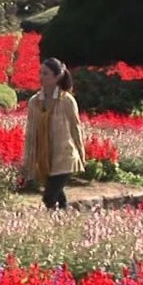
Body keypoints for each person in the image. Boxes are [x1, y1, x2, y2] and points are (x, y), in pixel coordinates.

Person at [21, 57, 86, 210]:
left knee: (49, 197)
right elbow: (31, 131)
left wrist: (81, 154)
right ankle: (64, 219)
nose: (41, 77)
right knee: (57, 195)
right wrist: (29, 159)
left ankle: (57, 220)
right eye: (40, 73)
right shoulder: (34, 102)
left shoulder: (67, 101)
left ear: (57, 77)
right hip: (45, 157)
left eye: (46, 74)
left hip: (65, 157)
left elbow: (75, 128)